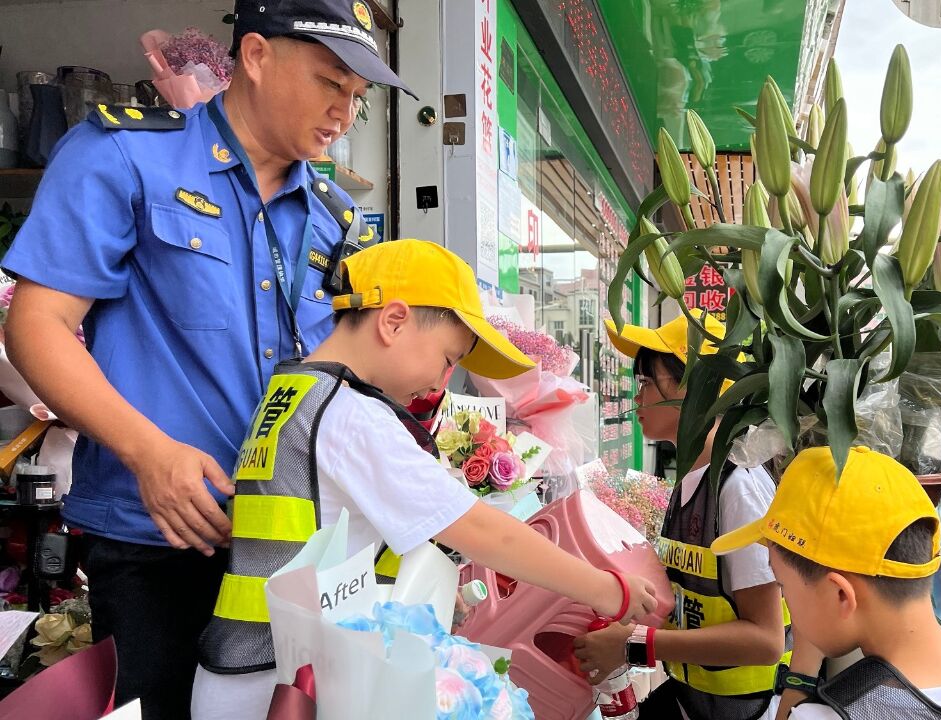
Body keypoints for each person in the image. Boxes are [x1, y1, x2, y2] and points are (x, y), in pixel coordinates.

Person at [0, 1, 415, 715]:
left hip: (290, 548)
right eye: (328, 83)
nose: (343, 113)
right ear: (256, 55)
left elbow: (334, 375)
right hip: (158, 538)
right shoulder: (125, 155)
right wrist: (148, 452)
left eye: (356, 96)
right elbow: (36, 325)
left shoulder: (331, 214)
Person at [192, 239, 660, 718]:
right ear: (393, 321)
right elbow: (481, 531)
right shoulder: (352, 416)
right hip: (287, 688)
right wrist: (608, 589)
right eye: (447, 358)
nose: (442, 382)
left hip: (245, 672)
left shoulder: (291, 392)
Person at [710, 445, 941, 719]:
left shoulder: (828, 715)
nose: (786, 605)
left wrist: (801, 670)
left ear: (841, 595)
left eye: (783, 587)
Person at [574, 312, 790, 720]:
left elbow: (766, 639)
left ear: (694, 386)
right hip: (695, 701)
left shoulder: (737, 487)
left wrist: (637, 644)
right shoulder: (693, 474)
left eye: (646, 384)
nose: (636, 399)